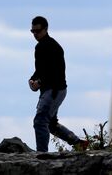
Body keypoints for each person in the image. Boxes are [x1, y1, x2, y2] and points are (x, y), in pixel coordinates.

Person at [28, 16, 88, 152]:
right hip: (50, 90)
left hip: (55, 90)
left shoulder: (53, 47)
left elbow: (54, 72)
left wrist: (39, 81)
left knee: (40, 121)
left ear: (46, 29)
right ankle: (79, 144)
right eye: (33, 32)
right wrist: (32, 80)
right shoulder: (40, 47)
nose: (35, 34)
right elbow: (40, 70)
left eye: (38, 31)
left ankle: (42, 154)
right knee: (51, 125)